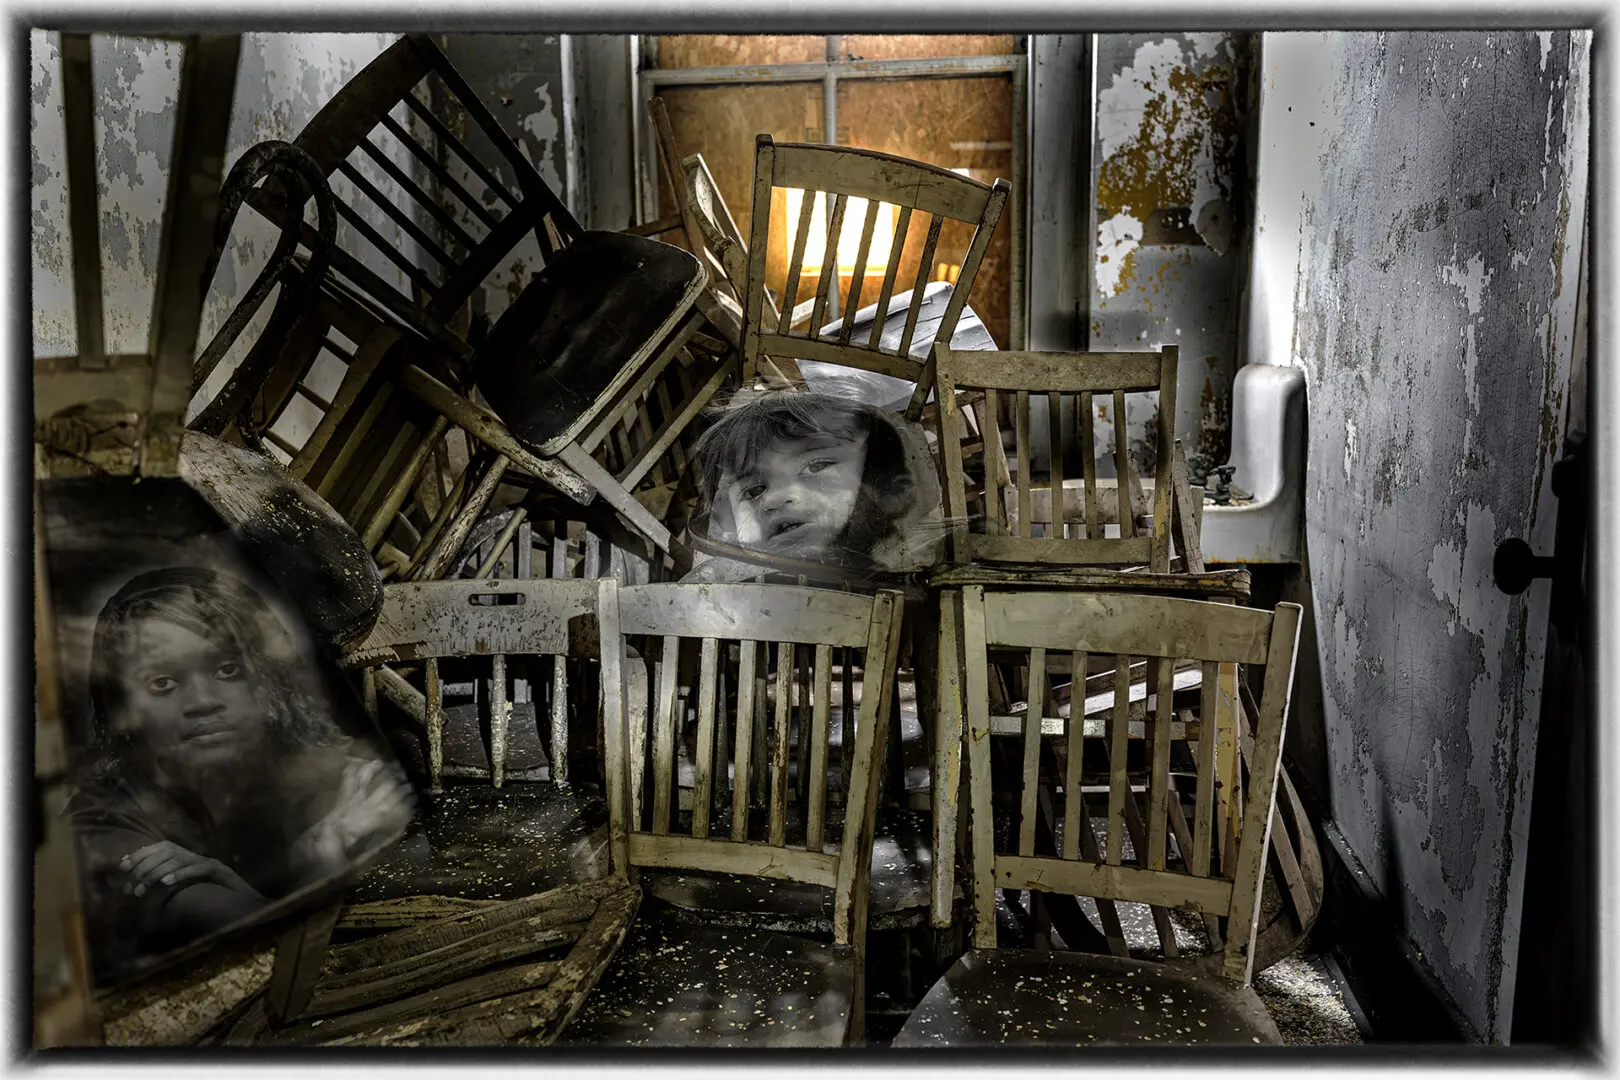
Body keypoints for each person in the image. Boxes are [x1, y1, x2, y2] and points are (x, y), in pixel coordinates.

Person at [66, 566, 413, 982]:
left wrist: (257, 895)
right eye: (162, 683)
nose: (202, 701)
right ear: (124, 708)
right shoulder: (101, 822)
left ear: (267, 681)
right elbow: (277, 964)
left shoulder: (350, 781)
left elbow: (408, 933)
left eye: (227, 670)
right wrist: (317, 859)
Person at [686, 389, 944, 580]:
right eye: (754, 490)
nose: (775, 498)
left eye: (816, 466)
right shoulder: (720, 599)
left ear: (882, 487)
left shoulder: (912, 590)